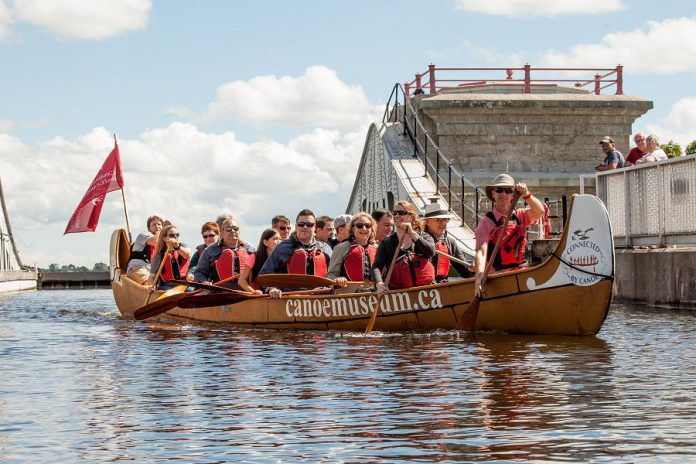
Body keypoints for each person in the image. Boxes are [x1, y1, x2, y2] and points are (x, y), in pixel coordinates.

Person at [474, 174, 544, 297]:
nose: (503, 194)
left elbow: (540, 211)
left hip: (520, 273)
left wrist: (526, 194)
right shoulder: (486, 222)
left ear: (513, 195)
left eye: (508, 191)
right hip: (498, 278)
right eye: (499, 190)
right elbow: (481, 252)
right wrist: (478, 278)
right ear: (493, 194)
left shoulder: (521, 216)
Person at [260, 209, 333, 298]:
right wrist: (272, 288)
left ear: (315, 227)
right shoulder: (283, 247)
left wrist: (340, 279)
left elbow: (333, 274)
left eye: (309, 224)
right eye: (301, 224)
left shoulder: (326, 249)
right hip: (291, 300)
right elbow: (265, 274)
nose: (305, 227)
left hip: (320, 300)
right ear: (296, 226)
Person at [372, 200, 436, 293]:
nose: (397, 215)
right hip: (399, 294)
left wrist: (412, 234)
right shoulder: (386, 243)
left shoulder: (424, 236)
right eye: (394, 213)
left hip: (426, 291)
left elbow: (430, 252)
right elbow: (376, 266)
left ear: (411, 216)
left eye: (402, 213)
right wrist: (379, 283)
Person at [194, 215, 256, 284]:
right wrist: (204, 281)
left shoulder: (250, 250)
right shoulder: (209, 251)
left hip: (246, 291)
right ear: (221, 233)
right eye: (228, 229)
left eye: (235, 228)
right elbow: (199, 273)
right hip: (219, 291)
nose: (233, 231)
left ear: (239, 231)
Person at [422, 202, 474, 282]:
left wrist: (471, 269)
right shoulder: (418, 241)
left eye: (445, 219)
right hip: (423, 287)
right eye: (439, 220)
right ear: (427, 222)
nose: (443, 223)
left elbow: (465, 273)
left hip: (442, 286)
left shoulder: (450, 242)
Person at [327, 212, 378, 286]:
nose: (364, 228)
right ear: (353, 229)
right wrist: (337, 280)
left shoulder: (377, 248)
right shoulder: (341, 248)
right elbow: (331, 275)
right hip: (349, 294)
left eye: (368, 225)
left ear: (371, 228)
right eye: (359, 226)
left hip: (374, 295)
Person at [238, 229, 281, 294]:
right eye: (275, 239)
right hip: (258, 297)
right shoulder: (253, 257)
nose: (279, 241)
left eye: (280, 239)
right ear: (266, 242)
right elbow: (241, 281)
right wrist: (253, 292)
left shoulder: (282, 259)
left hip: (278, 295)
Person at [148, 224, 191, 290]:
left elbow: (187, 255)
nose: (175, 237)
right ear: (164, 238)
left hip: (185, 284)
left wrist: (177, 247)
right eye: (171, 235)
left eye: (177, 235)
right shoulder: (159, 254)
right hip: (168, 286)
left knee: (191, 291)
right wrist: (151, 286)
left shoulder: (183, 246)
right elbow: (152, 276)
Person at [126, 215, 163, 285]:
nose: (157, 226)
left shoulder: (165, 242)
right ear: (149, 228)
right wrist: (160, 231)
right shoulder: (143, 235)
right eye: (154, 225)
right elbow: (156, 242)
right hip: (137, 269)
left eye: (159, 224)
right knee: (150, 283)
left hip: (152, 272)